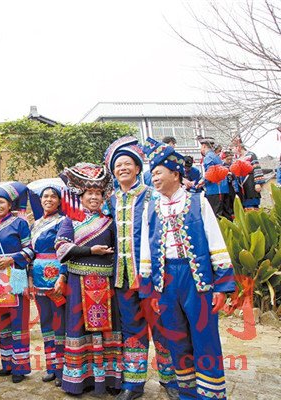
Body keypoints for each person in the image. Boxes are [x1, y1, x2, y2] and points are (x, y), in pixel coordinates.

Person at [140, 138, 235, 399]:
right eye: (152, 173)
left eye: (158, 172)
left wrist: (221, 286)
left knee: (205, 337)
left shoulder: (198, 202)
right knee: (176, 338)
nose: (154, 178)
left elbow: (216, 242)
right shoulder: (151, 208)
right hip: (166, 280)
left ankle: (211, 395)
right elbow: (146, 250)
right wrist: (150, 290)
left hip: (197, 279)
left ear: (175, 173)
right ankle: (188, 394)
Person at [103, 138, 178, 400]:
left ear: (137, 168)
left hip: (151, 276)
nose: (122, 168)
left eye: (127, 164)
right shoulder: (110, 201)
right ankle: (133, 384)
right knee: (131, 330)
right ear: (114, 172)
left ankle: (170, 379)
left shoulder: (151, 195)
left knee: (161, 327)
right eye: (118, 165)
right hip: (122, 277)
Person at [55, 163, 123, 396]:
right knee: (79, 329)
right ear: (81, 196)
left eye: (98, 193)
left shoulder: (110, 222)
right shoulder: (70, 221)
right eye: (89, 193)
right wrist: (90, 251)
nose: (94, 197)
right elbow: (61, 248)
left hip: (106, 284)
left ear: (103, 196)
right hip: (78, 284)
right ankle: (79, 381)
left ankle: (109, 379)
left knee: (108, 330)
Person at [0, 181, 34, 383]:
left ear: (9, 204)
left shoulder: (20, 223)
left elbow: (30, 250)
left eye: (1, 202)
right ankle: (7, 363)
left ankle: (20, 367)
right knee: (2, 321)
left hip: (16, 274)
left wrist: (11, 259)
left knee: (18, 320)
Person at [27, 178, 67, 387]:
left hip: (56, 278)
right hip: (38, 278)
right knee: (46, 323)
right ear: (40, 200)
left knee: (60, 322)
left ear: (59, 201)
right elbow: (30, 252)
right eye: (45, 196)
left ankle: (63, 368)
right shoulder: (35, 224)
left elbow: (65, 251)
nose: (49, 199)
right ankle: (51, 366)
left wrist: (63, 275)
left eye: (53, 196)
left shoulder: (64, 222)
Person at [200, 137, 232, 219]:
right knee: (226, 215)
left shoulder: (208, 157)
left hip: (214, 189)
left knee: (215, 216)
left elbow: (211, 172)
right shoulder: (216, 156)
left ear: (204, 146)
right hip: (223, 188)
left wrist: (202, 181)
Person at [234, 144, 265, 210]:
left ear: (238, 147)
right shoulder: (237, 158)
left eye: (233, 148)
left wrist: (257, 183)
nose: (233, 150)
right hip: (241, 184)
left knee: (252, 201)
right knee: (243, 203)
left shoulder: (251, 155)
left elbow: (256, 168)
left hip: (250, 180)